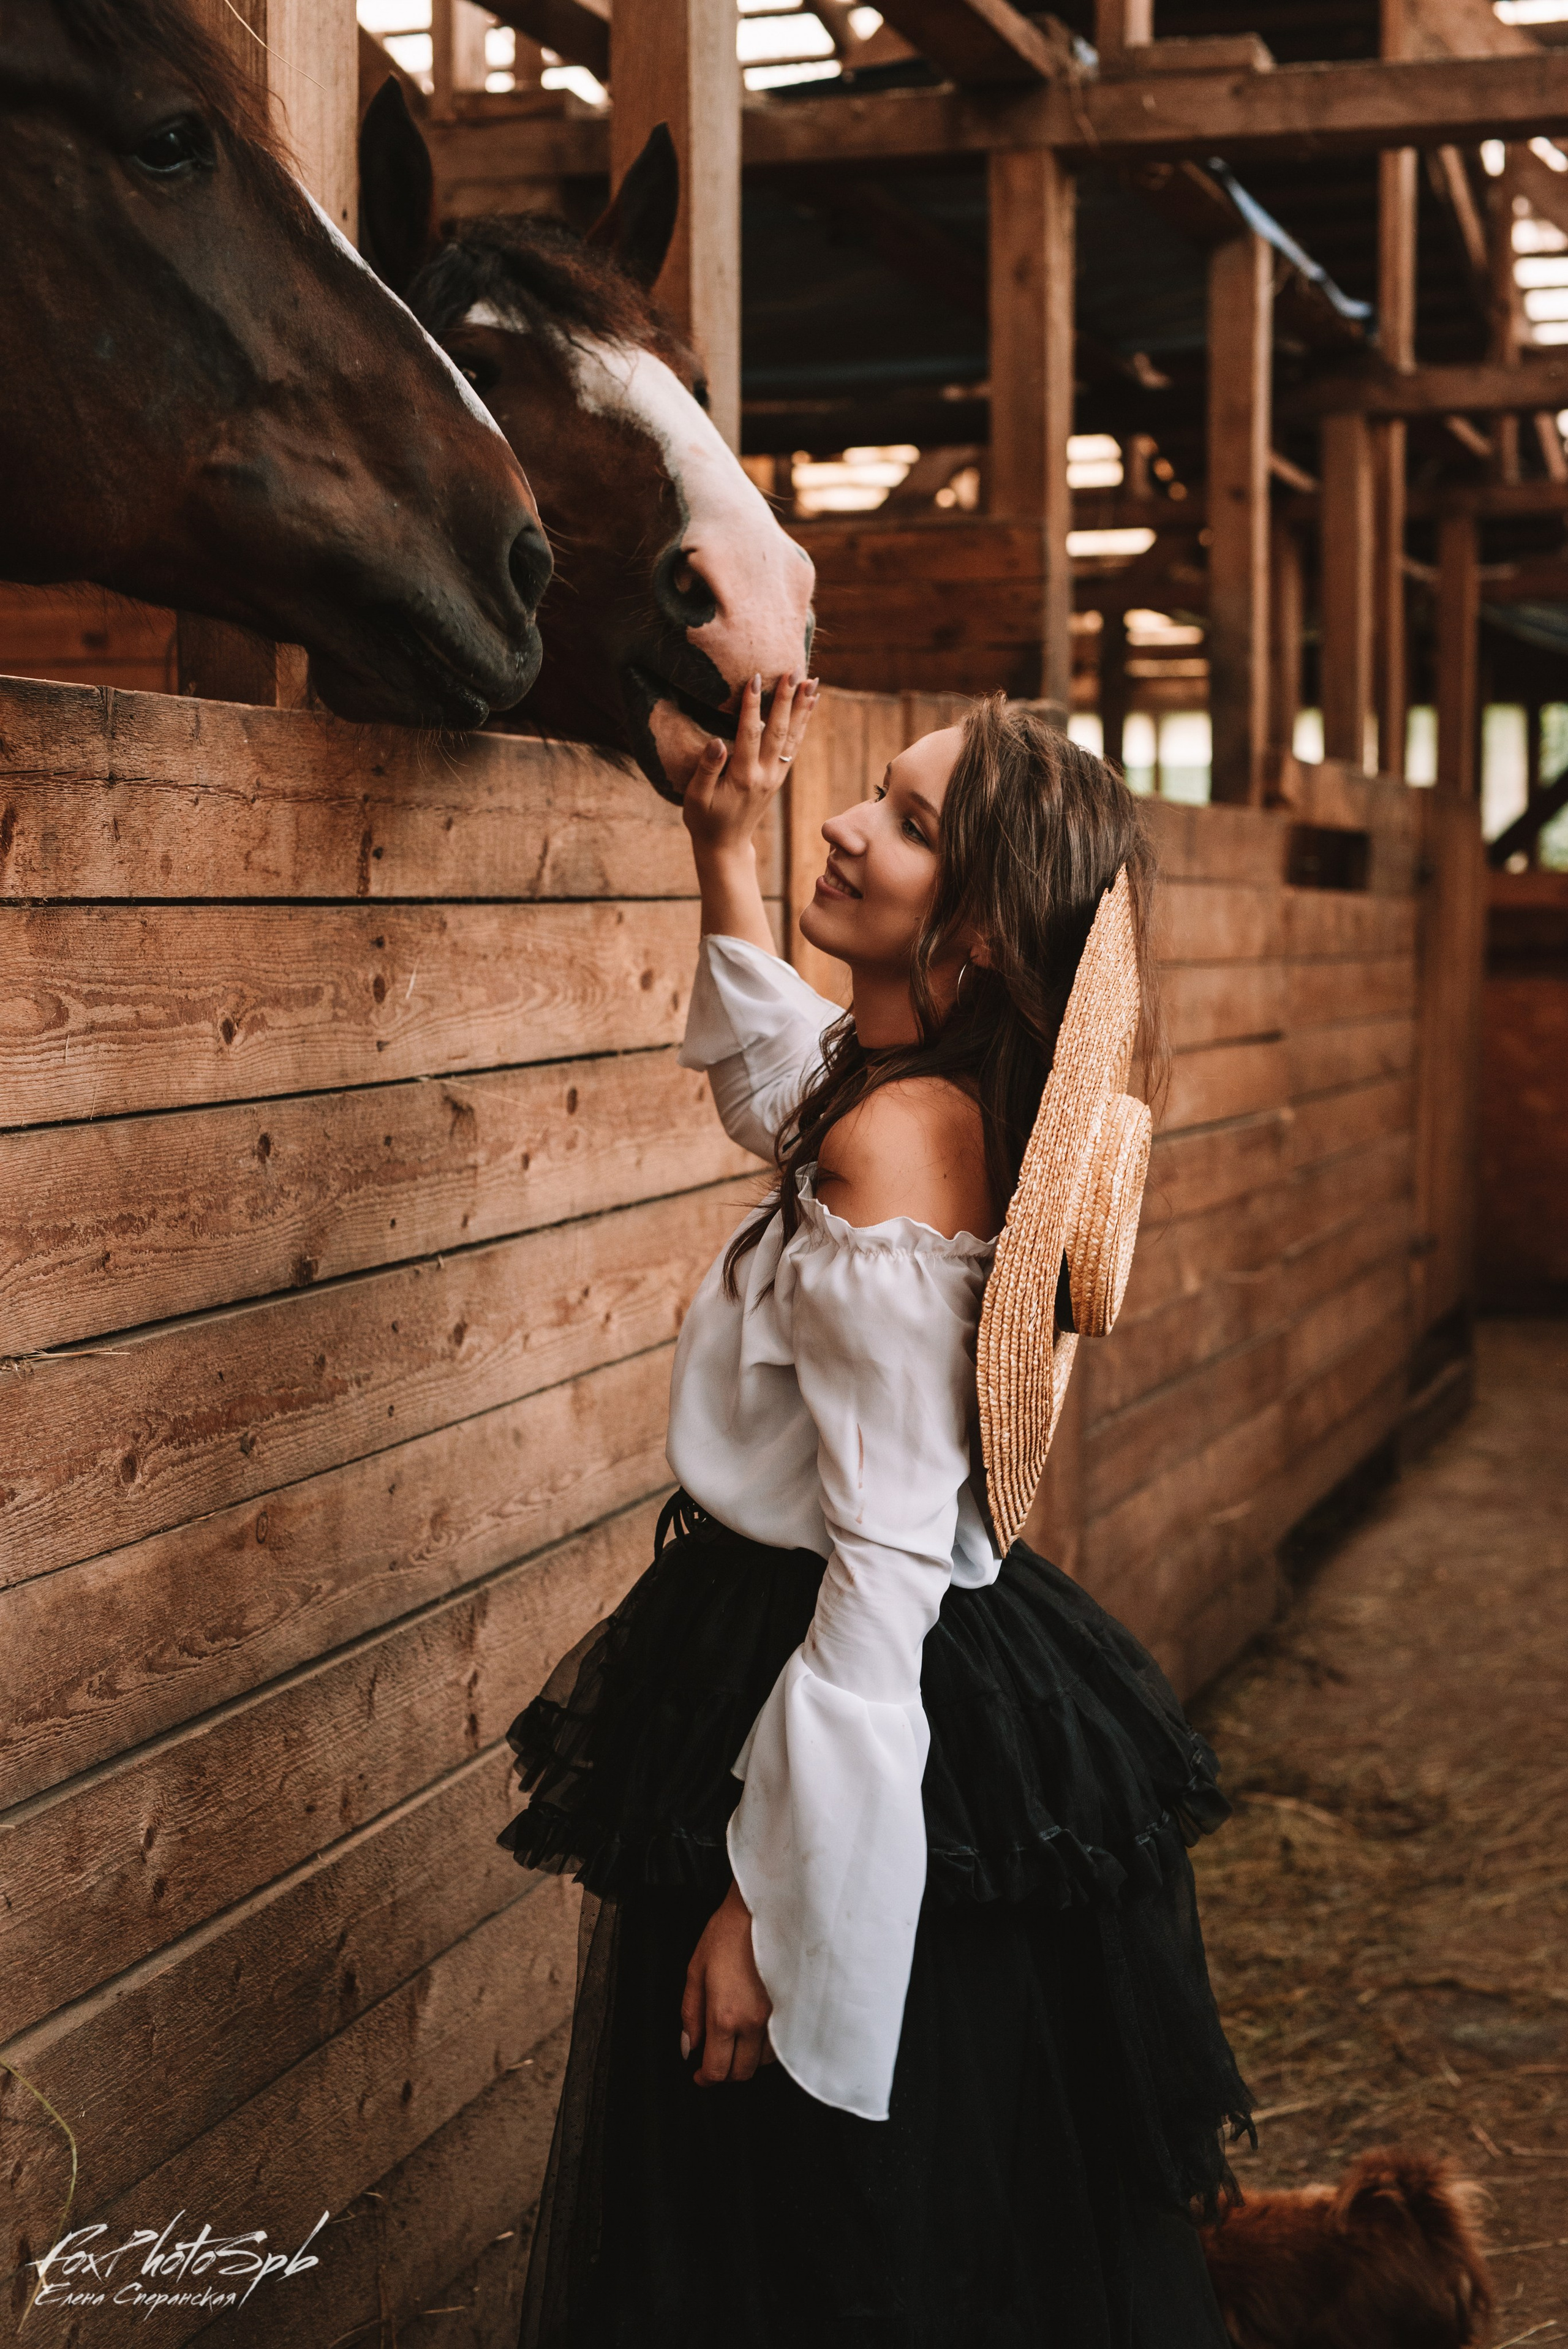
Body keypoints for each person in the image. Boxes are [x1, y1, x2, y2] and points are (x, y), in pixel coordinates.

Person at [500, 677, 1253, 2348]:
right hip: (894, 1665)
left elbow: (887, 1576)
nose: (845, 818)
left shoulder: (900, 1157)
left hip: (841, 1674)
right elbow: (781, 1083)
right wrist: (725, 848)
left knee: (815, 2231)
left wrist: (770, 1904)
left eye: (908, 822)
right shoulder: (908, 1098)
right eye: (878, 794)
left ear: (973, 934)